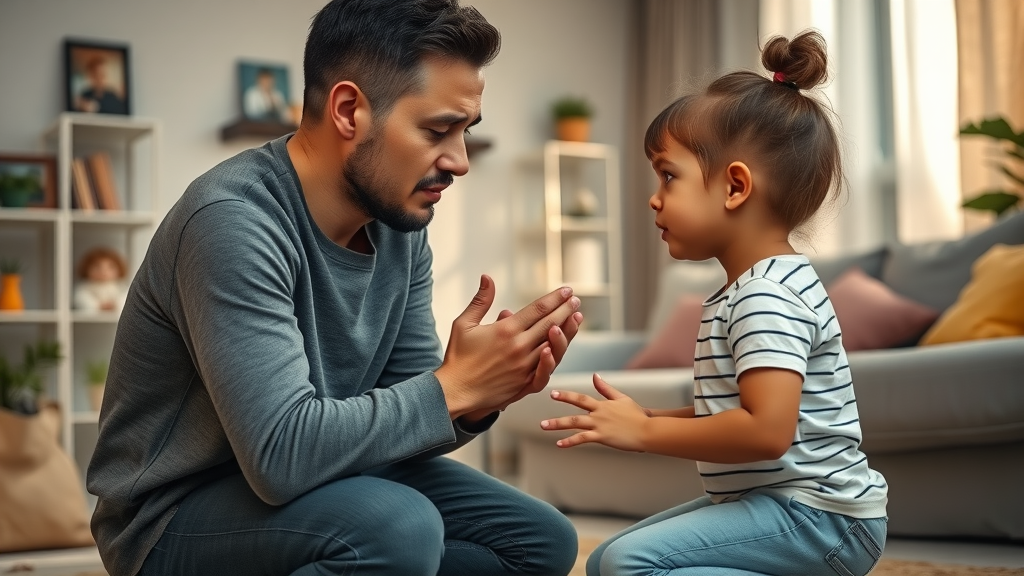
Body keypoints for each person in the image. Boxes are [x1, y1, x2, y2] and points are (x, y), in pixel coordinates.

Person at [86, 1, 583, 575]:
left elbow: (408, 422)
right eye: (438, 130)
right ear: (349, 110)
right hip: (171, 517)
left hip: (324, 476)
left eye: (466, 132)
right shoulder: (232, 221)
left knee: (541, 540)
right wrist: (452, 387)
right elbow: (280, 456)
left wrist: (482, 391)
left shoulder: (400, 226)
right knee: (397, 526)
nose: (460, 161)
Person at [542, 31, 888, 576]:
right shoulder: (747, 289)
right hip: (791, 507)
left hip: (823, 518)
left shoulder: (766, 295)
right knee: (608, 558)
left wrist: (646, 433)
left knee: (628, 564)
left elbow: (767, 431)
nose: (654, 197)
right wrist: (648, 414)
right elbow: (738, 413)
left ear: (734, 187)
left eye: (668, 175)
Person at [73, 247, 127, 312]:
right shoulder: (85, 287)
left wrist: (115, 305)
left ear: (119, 269)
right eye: (97, 267)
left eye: (111, 267)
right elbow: (81, 299)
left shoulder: (120, 287)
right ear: (86, 269)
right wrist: (98, 306)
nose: (103, 271)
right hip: (91, 320)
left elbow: (125, 300)